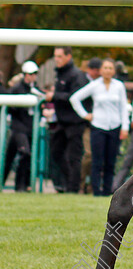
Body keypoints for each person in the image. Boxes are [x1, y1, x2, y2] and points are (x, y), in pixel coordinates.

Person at [70, 58, 129, 196]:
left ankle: (107, 190)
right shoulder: (94, 85)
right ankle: (96, 190)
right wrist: (85, 114)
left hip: (114, 126)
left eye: (110, 68)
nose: (107, 71)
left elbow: (123, 108)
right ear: (101, 70)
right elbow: (75, 98)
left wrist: (124, 127)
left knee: (111, 161)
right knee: (97, 160)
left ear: (114, 71)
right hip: (98, 126)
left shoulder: (119, 86)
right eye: (105, 68)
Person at [45, 47, 88, 193]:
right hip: (62, 123)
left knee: (73, 157)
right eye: (55, 56)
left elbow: (75, 97)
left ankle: (73, 189)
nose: (56, 59)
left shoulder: (77, 75)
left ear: (68, 57)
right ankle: (69, 183)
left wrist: (54, 96)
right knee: (56, 152)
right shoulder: (61, 74)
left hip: (75, 123)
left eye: (59, 56)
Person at [3, 61, 44, 192]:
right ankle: (18, 185)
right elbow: (10, 108)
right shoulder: (16, 89)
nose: (32, 77)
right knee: (22, 154)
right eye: (30, 74)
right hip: (18, 129)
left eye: (35, 74)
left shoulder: (36, 89)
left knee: (24, 156)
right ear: (25, 74)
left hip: (31, 129)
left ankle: (23, 185)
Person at [80, 57, 102, 194]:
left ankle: (92, 185)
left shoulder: (104, 83)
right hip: (87, 125)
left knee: (98, 157)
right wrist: (85, 114)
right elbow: (75, 98)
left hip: (101, 125)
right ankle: (82, 183)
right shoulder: (83, 81)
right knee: (88, 155)